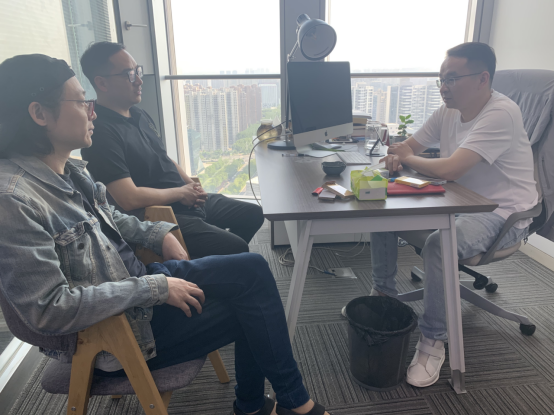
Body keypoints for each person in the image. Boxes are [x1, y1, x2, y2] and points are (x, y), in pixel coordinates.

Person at [0, 54, 328, 415]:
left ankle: (264, 405)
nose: (92, 112)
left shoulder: (70, 172)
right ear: (39, 114)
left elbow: (111, 218)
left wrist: (158, 234)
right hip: (117, 332)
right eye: (81, 101)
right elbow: (48, 310)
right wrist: (154, 288)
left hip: (137, 286)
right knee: (253, 307)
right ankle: (287, 404)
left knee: (253, 269)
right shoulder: (12, 201)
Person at [344, 42, 538, 388]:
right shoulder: (449, 110)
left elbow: (450, 169)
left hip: (502, 213)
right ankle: (383, 298)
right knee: (381, 210)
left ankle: (433, 341)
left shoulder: (501, 113)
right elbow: (408, 147)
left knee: (438, 245)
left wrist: (407, 158)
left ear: (482, 79)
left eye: (451, 79)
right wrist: (400, 155)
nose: (443, 87)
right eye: (441, 80)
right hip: (457, 200)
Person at [79, 42, 264, 259]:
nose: (139, 80)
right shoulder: (99, 133)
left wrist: (192, 187)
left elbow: (163, 157)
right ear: (102, 83)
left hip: (182, 198)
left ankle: (212, 262)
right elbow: (127, 198)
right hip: (160, 214)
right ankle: (207, 266)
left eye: (138, 71)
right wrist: (181, 193)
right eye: (129, 74)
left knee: (253, 214)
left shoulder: (138, 114)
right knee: (236, 247)